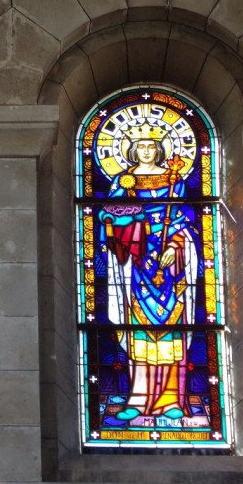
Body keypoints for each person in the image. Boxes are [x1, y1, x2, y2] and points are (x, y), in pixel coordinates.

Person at [100, 131, 199, 421]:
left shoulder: (174, 181)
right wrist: (126, 229)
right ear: (131, 151)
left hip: (169, 267)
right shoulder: (124, 182)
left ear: (159, 150)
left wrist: (175, 246)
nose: (145, 151)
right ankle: (138, 399)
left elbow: (184, 221)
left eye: (151, 146)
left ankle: (172, 403)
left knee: (171, 334)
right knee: (139, 334)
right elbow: (109, 216)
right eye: (140, 146)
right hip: (136, 261)